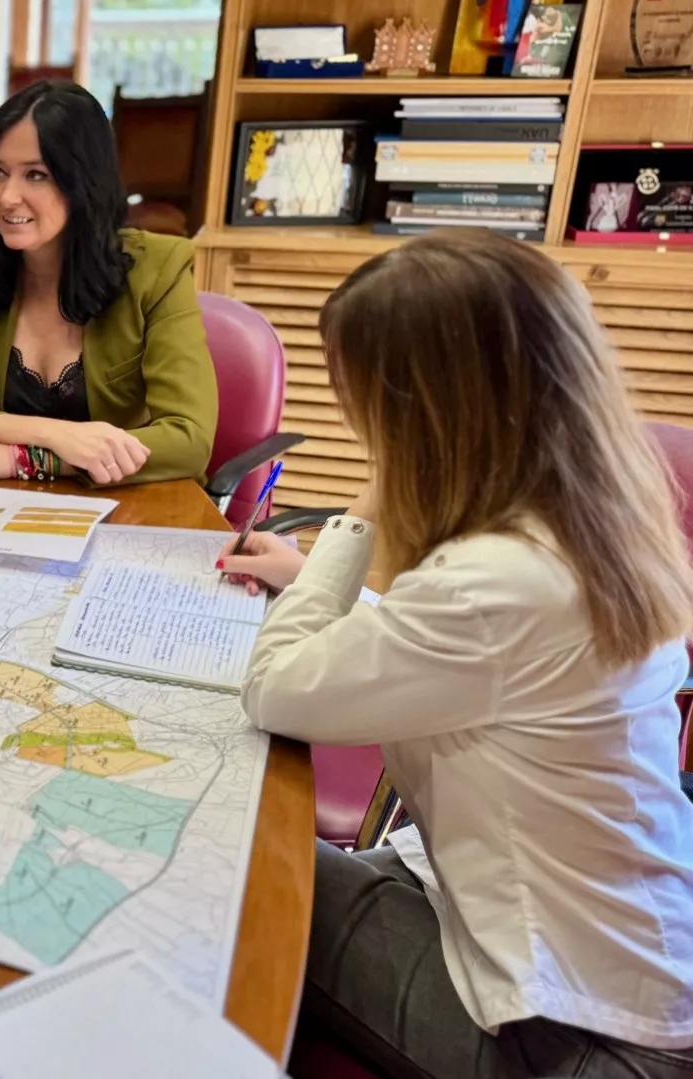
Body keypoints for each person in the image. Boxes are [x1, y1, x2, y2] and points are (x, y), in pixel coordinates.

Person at [222, 229, 693, 1077]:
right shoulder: (594, 520)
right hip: (629, 953)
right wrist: (320, 579)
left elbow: (274, 687)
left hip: (569, 1028)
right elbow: (486, 665)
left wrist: (354, 522)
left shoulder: (492, 584)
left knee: (235, 882)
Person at [0, 80, 216, 487]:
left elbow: (189, 440)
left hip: (124, 503)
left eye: (36, 174)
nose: (7, 197)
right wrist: (53, 434)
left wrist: (24, 459)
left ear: (83, 181)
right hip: (7, 506)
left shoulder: (159, 269)